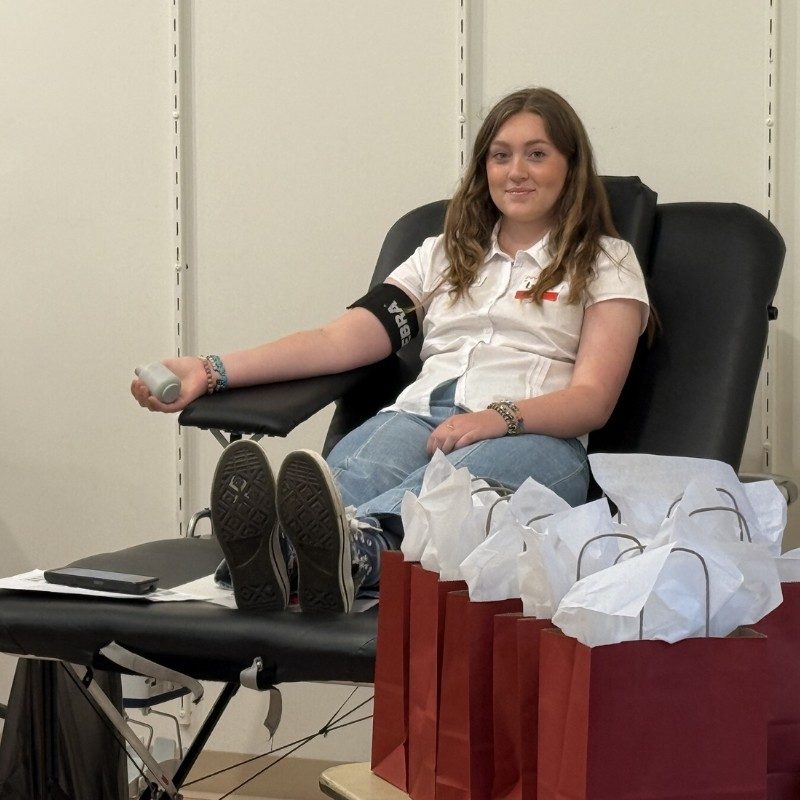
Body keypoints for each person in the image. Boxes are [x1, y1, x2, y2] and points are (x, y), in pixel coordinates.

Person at [131, 87, 650, 614]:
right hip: (418, 416)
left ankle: (359, 552)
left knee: (446, 498)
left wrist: (502, 417)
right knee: (346, 484)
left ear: (571, 166)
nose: (516, 170)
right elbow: (338, 340)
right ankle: (281, 549)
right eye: (501, 155)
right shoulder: (444, 255)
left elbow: (592, 398)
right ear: (483, 168)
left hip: (537, 434)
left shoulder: (607, 260)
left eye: (536, 153)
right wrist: (209, 370)